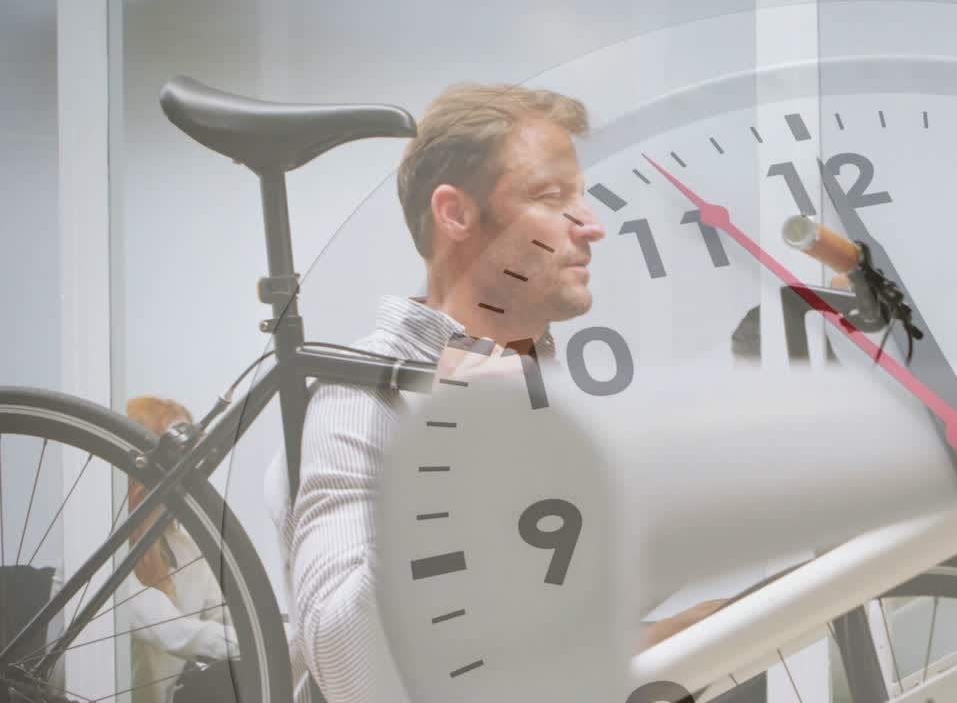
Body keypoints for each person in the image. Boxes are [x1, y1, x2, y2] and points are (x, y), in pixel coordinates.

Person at [264, 83, 724, 703]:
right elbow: (352, 672)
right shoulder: (361, 399)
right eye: (550, 196)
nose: (591, 224)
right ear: (455, 214)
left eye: (581, 197)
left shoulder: (546, 391)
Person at [121, 396, 239, 703]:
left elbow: (227, 617)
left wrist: (294, 634)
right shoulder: (92, 546)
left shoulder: (184, 548)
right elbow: (169, 632)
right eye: (173, 452)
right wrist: (266, 643)